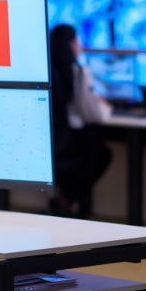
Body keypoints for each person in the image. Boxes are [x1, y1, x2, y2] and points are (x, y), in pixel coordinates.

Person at [49, 24, 113, 217]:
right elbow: (93, 114)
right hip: (70, 146)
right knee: (102, 154)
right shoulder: (77, 72)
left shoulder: (48, 71)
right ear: (71, 44)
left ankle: (63, 202)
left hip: (51, 146)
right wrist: (105, 105)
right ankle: (65, 201)